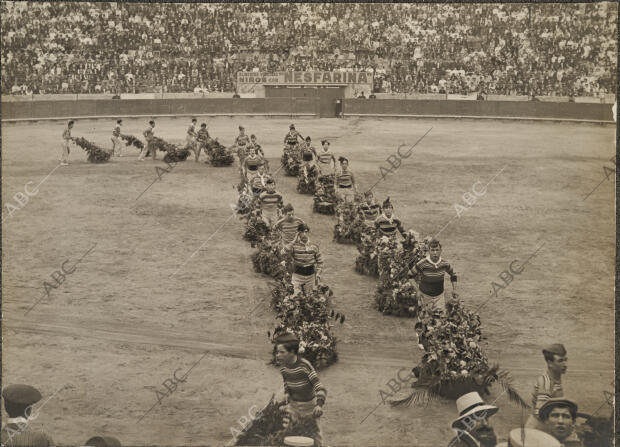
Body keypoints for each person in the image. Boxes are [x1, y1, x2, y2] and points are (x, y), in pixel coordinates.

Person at [275, 333, 326, 447]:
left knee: (316, 436)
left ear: (292, 352)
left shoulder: (304, 366)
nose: (278, 355)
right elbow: (287, 384)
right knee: (288, 434)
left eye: (281, 352)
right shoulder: (284, 368)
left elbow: (320, 387)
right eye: (277, 352)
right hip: (294, 407)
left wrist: (319, 405)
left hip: (310, 407)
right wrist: (287, 394)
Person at [525, 344, 568, 430]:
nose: (565, 364)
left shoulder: (556, 379)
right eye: (560, 361)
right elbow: (540, 413)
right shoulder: (546, 383)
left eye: (565, 360)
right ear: (550, 363)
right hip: (537, 429)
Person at [409, 238, 457, 312]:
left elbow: (453, 274)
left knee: (440, 319)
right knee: (425, 320)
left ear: (441, 251)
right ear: (429, 251)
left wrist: (454, 289)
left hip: (439, 297)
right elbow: (410, 276)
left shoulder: (445, 263)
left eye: (437, 250)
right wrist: (417, 290)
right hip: (425, 297)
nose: (435, 253)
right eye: (432, 250)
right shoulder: (422, 263)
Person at [284, 223, 323, 296]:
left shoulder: (314, 246)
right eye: (302, 232)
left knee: (309, 298)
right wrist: (293, 241)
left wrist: (318, 273)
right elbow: (283, 252)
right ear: (298, 233)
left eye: (306, 232)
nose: (304, 234)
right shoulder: (294, 246)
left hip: (310, 277)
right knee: (296, 298)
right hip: (297, 276)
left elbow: (320, 262)